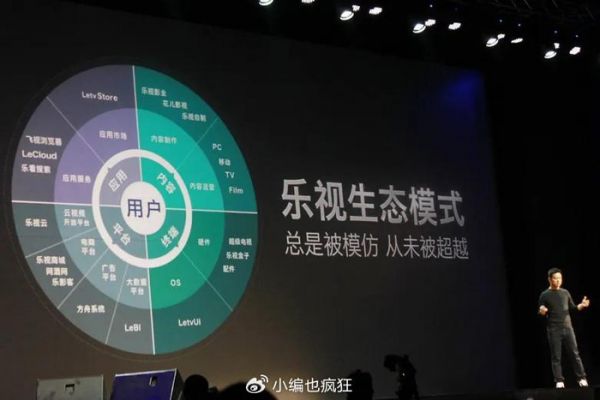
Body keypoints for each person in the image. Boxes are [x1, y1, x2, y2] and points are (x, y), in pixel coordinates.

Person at [538, 267, 590, 389]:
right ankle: (559, 381)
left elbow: (573, 308)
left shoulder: (565, 293)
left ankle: (582, 378)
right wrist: (542, 311)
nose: (558, 281)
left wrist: (581, 305)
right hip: (554, 329)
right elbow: (541, 310)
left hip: (568, 328)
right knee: (556, 356)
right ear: (549, 279)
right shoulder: (544, 295)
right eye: (555, 278)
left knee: (575, 354)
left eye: (560, 278)